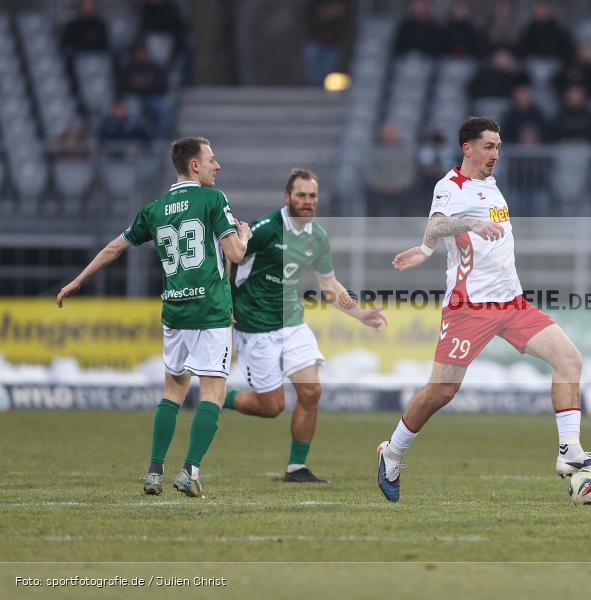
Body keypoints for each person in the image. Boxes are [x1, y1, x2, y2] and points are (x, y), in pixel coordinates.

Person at [375, 117, 591, 503]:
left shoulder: (489, 185)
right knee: (442, 391)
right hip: (469, 307)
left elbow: (436, 233)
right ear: (467, 148)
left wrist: (424, 250)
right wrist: (463, 227)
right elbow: (439, 223)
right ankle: (393, 451)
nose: (496, 155)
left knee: (569, 359)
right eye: (489, 146)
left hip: (512, 302)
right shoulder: (450, 185)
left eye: (499, 147)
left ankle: (569, 451)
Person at [56, 137, 252, 498]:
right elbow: (236, 255)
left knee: (173, 390)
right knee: (213, 391)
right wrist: (245, 233)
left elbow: (116, 247)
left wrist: (78, 280)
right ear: (194, 165)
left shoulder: (156, 208)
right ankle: (190, 470)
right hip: (210, 311)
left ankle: (153, 471)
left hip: (175, 311)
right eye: (212, 159)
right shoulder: (213, 199)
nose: (217, 166)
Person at [224, 168, 387, 483]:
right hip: (255, 325)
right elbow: (230, 252)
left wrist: (361, 314)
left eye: (312, 195)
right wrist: (225, 301)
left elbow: (329, 286)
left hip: (292, 323)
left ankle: (297, 468)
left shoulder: (318, 237)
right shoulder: (267, 229)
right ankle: (219, 397)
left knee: (312, 391)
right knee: (272, 407)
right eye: (301, 195)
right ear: (287, 198)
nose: (308, 201)